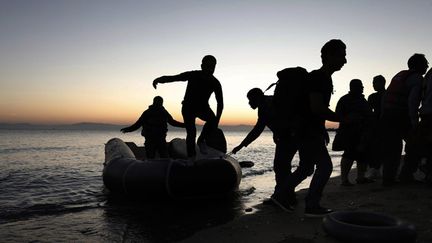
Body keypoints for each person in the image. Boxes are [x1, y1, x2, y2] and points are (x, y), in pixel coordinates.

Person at [272, 39, 347, 217]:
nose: (345, 60)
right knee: (325, 167)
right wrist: (343, 118)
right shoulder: (319, 78)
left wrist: (322, 129)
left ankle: (280, 195)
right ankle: (311, 205)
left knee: (306, 168)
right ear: (329, 56)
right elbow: (316, 108)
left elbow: (312, 110)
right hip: (307, 131)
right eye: (342, 56)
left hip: (306, 130)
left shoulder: (321, 78)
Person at [231, 88, 297, 205]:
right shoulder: (269, 102)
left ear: (257, 98)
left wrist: (241, 145)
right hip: (289, 136)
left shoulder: (266, 106)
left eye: (250, 100)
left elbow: (257, 130)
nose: (249, 103)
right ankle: (286, 195)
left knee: (281, 167)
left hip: (289, 138)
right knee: (284, 168)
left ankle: (282, 196)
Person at [152, 55, 224, 158]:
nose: (210, 69)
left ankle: (201, 140)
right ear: (202, 66)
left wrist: (217, 120)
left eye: (212, 67)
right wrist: (159, 79)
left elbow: (220, 103)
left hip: (203, 108)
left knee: (213, 120)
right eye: (208, 66)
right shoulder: (193, 75)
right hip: (188, 108)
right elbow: (175, 77)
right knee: (191, 132)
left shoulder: (215, 83)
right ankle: (191, 157)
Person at [380, 54, 429, 186]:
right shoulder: (417, 78)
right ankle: (405, 176)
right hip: (401, 116)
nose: (427, 66)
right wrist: (414, 121)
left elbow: (385, 97)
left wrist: (382, 116)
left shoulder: (399, 75)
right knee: (414, 145)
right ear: (420, 66)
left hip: (388, 115)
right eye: (426, 64)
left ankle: (388, 178)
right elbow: (413, 101)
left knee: (392, 147)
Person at [335, 79, 374, 186]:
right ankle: (344, 180)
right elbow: (338, 115)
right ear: (353, 87)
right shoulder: (345, 100)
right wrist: (350, 119)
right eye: (360, 86)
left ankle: (360, 177)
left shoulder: (361, 100)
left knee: (362, 154)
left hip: (362, 132)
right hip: (349, 132)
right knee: (349, 155)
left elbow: (369, 116)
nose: (362, 88)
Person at [120, 96, 184, 158]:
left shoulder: (162, 112)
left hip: (159, 139)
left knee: (161, 156)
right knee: (155, 156)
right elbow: (138, 124)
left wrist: (185, 125)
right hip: (152, 139)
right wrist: (128, 129)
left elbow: (172, 122)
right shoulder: (149, 113)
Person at [365, 75, 386, 179]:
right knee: (375, 148)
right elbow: (368, 112)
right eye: (373, 83)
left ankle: (377, 169)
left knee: (379, 148)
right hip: (376, 124)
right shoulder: (374, 96)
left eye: (375, 83)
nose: (373, 85)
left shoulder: (376, 96)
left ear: (382, 83)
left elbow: (369, 112)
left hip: (380, 124)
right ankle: (376, 169)